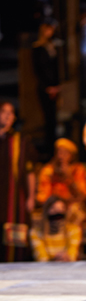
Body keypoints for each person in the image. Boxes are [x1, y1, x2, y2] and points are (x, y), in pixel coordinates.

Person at [0, 101, 36, 261]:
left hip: (13, 198)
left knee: (14, 241)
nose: (8, 116)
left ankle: (13, 267)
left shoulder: (20, 141)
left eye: (11, 113)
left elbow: (29, 171)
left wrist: (31, 197)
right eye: (4, 111)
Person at [36, 138, 86, 224]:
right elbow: (42, 196)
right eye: (59, 152)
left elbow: (83, 194)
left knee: (74, 211)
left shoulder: (78, 170)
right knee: (57, 209)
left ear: (71, 155)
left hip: (72, 206)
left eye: (65, 153)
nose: (61, 156)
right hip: (53, 205)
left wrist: (69, 178)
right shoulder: (48, 170)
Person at [32, 18, 61, 158]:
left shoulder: (53, 46)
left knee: (54, 119)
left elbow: (56, 68)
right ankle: (48, 149)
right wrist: (48, 87)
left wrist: (57, 86)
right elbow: (38, 70)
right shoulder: (37, 48)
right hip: (45, 88)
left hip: (55, 87)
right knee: (48, 118)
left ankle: (54, 147)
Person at [30, 195, 81, 262]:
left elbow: (73, 253)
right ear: (46, 211)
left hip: (67, 266)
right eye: (53, 209)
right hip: (46, 268)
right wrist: (55, 260)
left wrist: (66, 257)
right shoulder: (36, 232)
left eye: (61, 209)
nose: (57, 212)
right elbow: (41, 257)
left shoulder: (74, 230)